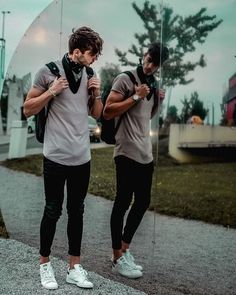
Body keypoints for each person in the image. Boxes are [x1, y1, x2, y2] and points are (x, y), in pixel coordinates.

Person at [23, 26, 103, 290]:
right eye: (92, 54)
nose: (94, 59)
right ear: (77, 51)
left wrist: (97, 94)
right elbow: (27, 109)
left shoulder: (90, 74)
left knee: (77, 212)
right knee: (52, 210)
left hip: (82, 158)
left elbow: (97, 113)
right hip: (55, 157)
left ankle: (73, 267)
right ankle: (44, 265)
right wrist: (51, 91)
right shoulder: (48, 71)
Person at [103, 42, 169, 279]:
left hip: (145, 154)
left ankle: (125, 249)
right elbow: (108, 111)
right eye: (148, 59)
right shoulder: (125, 79)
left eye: (155, 64)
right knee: (122, 202)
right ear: (144, 55)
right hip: (126, 152)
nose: (150, 66)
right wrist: (135, 95)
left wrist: (157, 100)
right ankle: (116, 258)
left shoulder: (152, 84)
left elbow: (145, 117)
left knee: (142, 202)